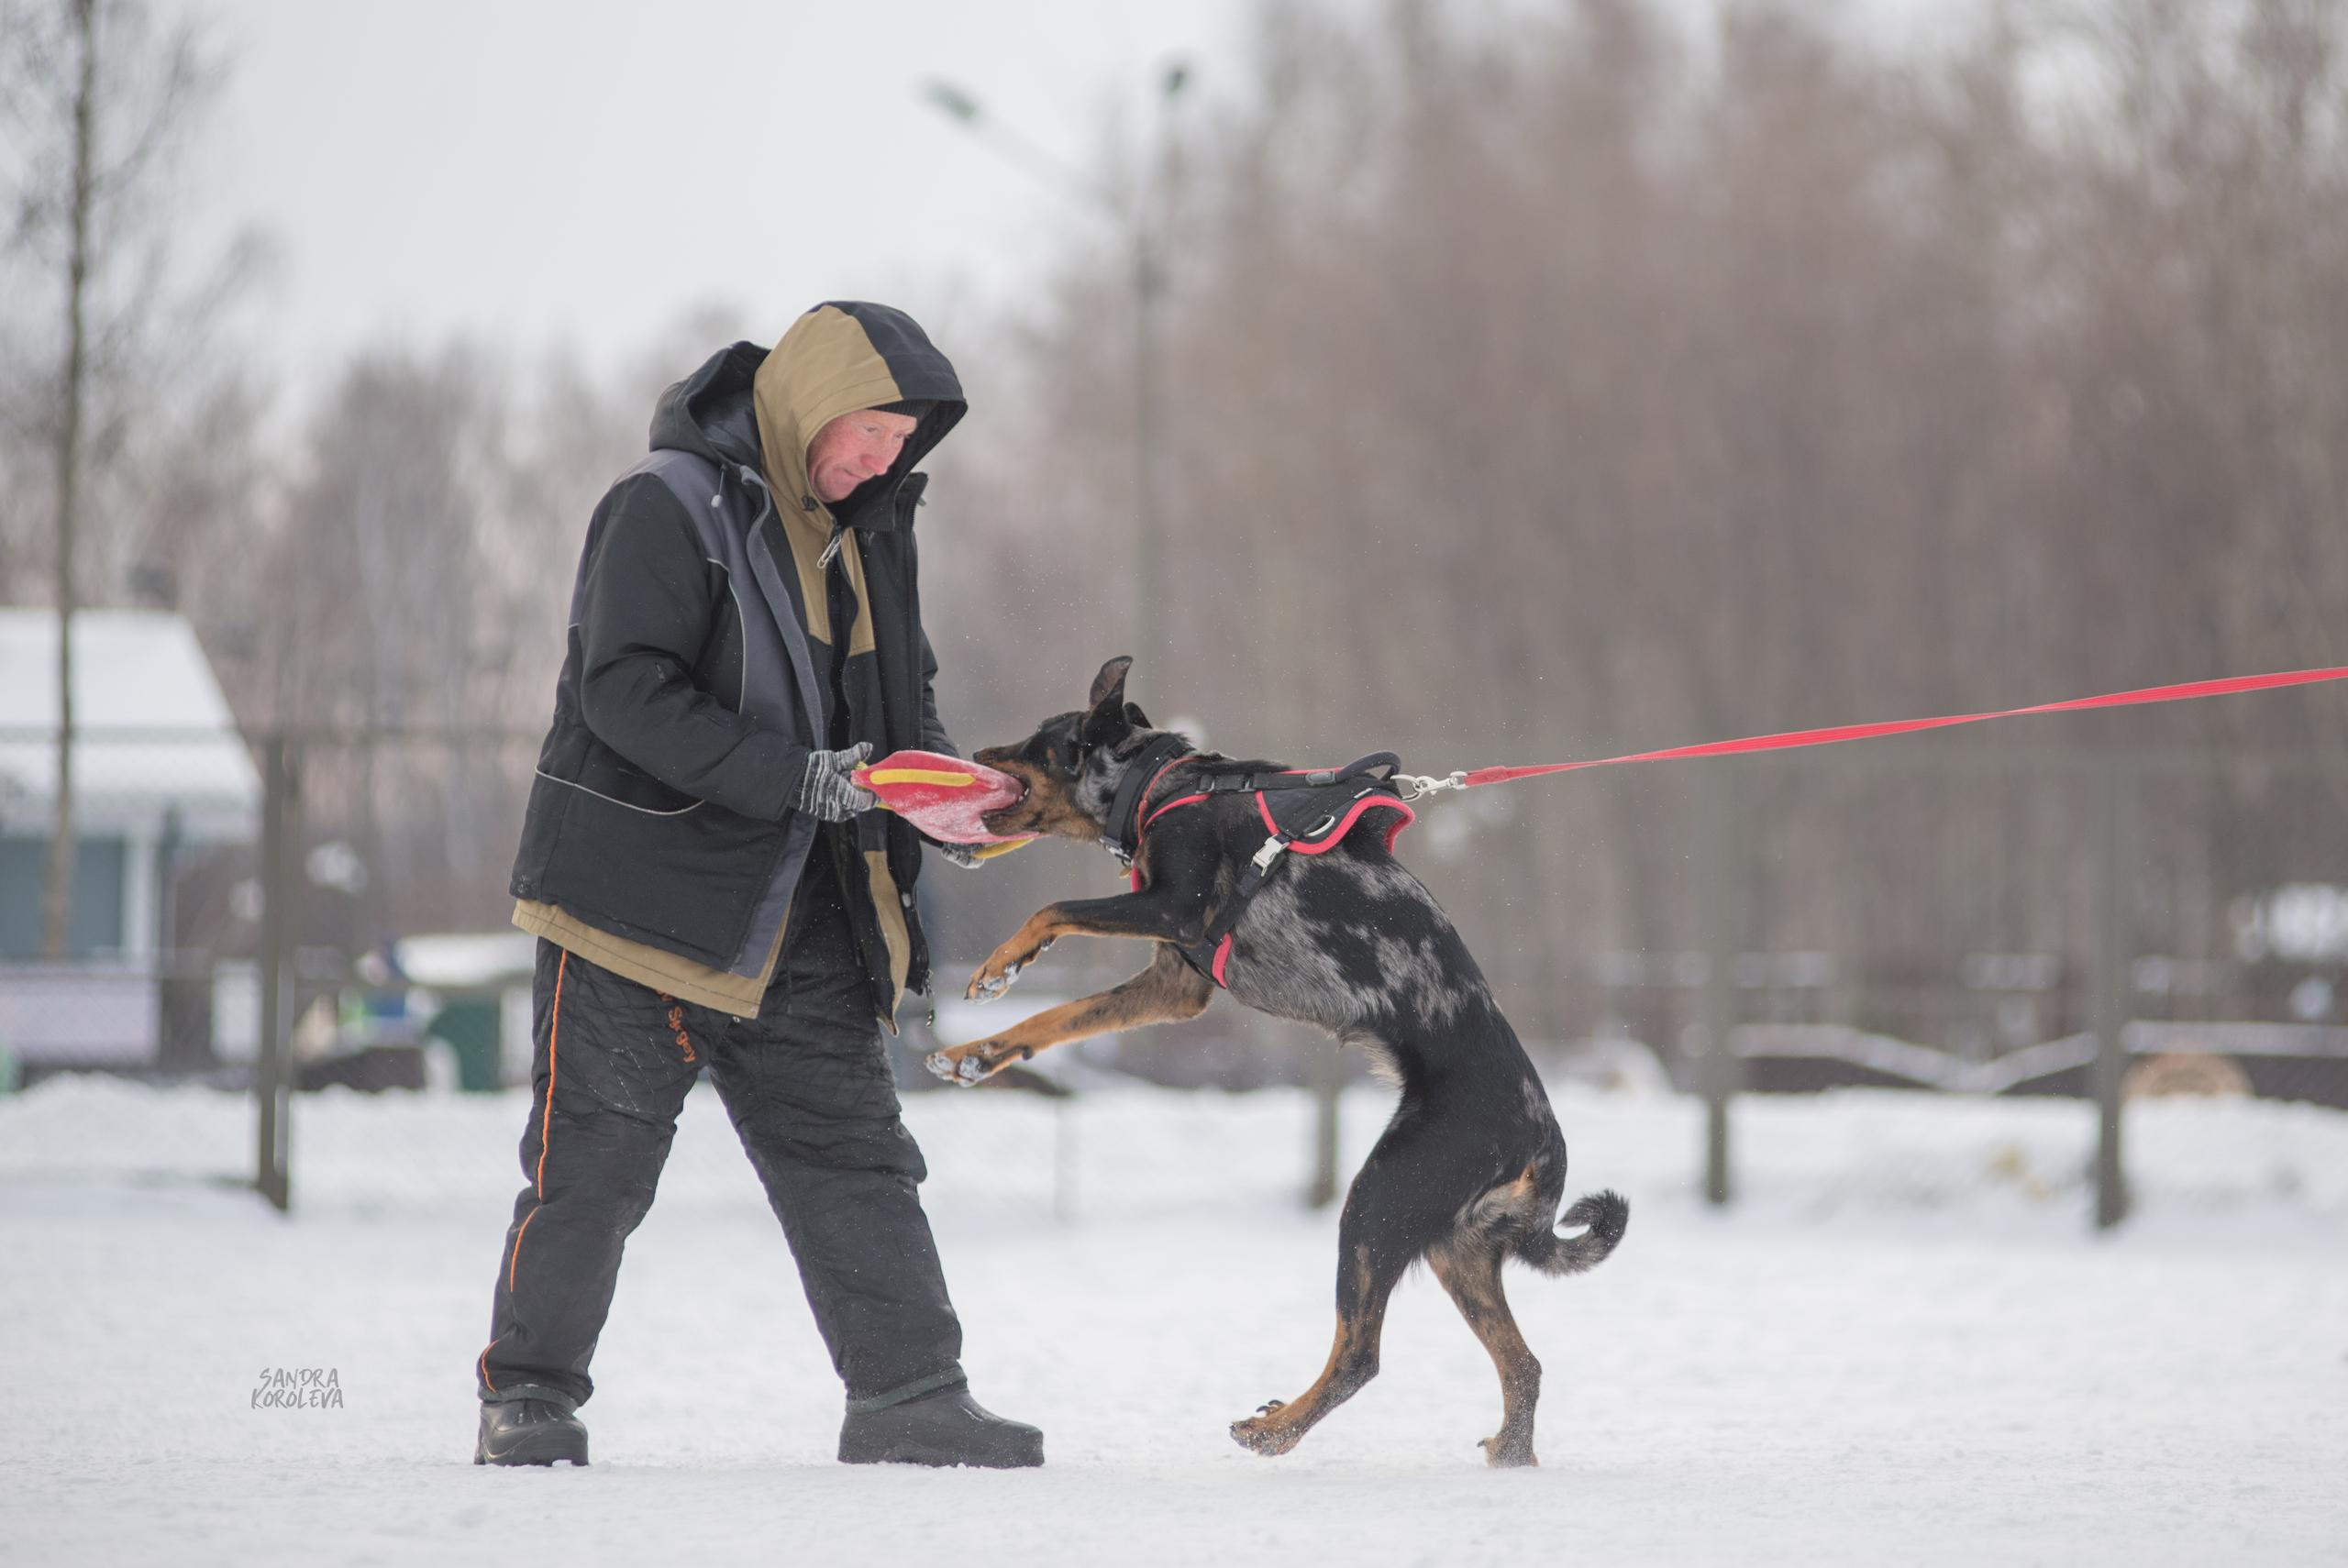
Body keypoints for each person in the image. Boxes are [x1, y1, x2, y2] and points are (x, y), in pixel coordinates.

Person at [471, 302, 1040, 1470]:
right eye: (869, 434)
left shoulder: (875, 528)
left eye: (902, 442)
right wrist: (801, 779)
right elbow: (621, 692)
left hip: (805, 915)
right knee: (594, 1167)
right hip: (634, 913)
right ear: (804, 404)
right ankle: (528, 1397)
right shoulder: (665, 505)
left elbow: (900, 709)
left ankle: (908, 1397)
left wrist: (949, 799)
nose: (884, 461)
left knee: (857, 1159)